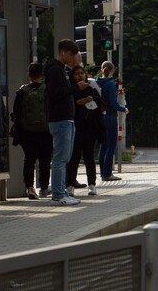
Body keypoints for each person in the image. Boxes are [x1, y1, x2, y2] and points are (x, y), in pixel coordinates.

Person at [46, 39, 88, 206]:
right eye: (71, 55)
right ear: (63, 52)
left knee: (64, 158)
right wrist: (76, 87)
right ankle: (58, 194)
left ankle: (61, 191)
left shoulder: (61, 69)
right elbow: (56, 93)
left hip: (66, 119)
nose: (72, 58)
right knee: (60, 158)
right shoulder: (55, 70)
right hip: (60, 119)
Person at [11, 62, 52, 199]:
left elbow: (15, 112)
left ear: (28, 74)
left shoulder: (22, 91)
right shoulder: (46, 90)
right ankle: (44, 188)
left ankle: (29, 187)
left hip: (26, 132)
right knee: (45, 160)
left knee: (29, 159)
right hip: (45, 131)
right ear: (42, 75)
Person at [68, 66, 104, 197]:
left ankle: (92, 184)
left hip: (89, 128)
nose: (80, 76)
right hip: (75, 128)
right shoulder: (71, 91)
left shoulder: (91, 90)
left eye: (82, 73)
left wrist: (92, 100)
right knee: (74, 158)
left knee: (89, 158)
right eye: (77, 74)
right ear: (72, 77)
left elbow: (100, 106)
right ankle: (70, 185)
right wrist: (78, 103)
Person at [96, 62, 126, 183]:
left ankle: (102, 172)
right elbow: (113, 102)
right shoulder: (111, 84)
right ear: (112, 70)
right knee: (111, 145)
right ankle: (107, 173)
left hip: (100, 117)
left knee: (103, 145)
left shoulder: (97, 83)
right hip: (110, 117)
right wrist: (123, 109)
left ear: (101, 70)